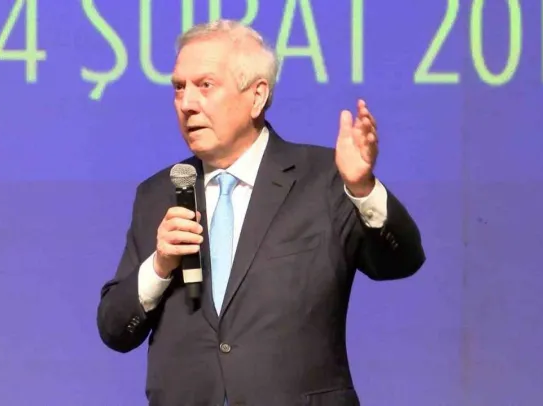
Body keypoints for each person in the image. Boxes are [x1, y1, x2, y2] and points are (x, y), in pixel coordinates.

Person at [96, 19, 425, 406]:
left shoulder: (323, 180)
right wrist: (159, 266)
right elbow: (115, 329)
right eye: (179, 87)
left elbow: (401, 261)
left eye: (205, 85)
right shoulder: (158, 194)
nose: (186, 104)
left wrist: (363, 189)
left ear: (256, 96)